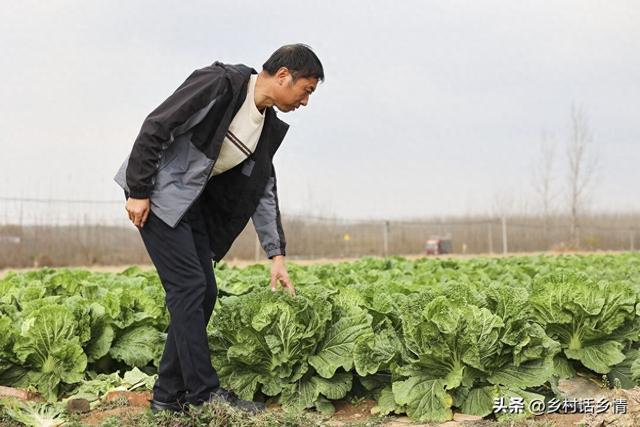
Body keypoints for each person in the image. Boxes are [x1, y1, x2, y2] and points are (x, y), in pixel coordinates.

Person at [113, 44, 324, 413]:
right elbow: (158, 123)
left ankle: (167, 396)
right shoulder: (221, 84)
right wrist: (140, 189)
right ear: (284, 75)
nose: (305, 102)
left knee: (205, 291)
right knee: (190, 288)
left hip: (189, 207)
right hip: (158, 196)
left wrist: (277, 255)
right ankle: (204, 394)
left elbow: (263, 192)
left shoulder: (266, 129)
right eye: (306, 90)